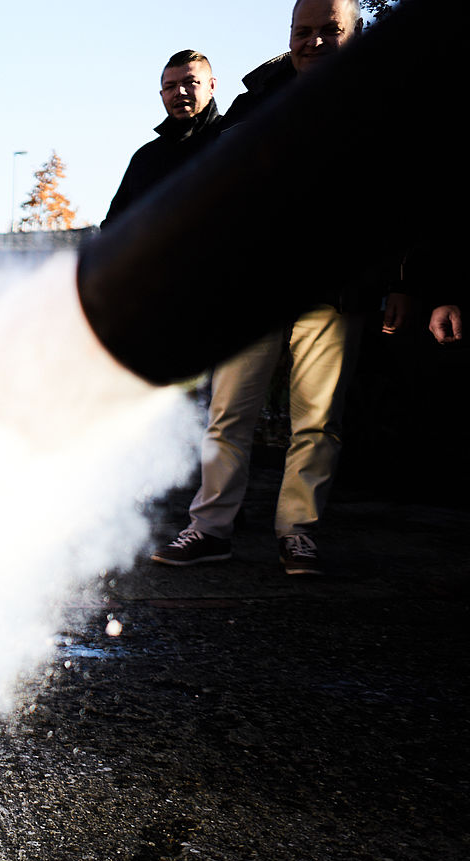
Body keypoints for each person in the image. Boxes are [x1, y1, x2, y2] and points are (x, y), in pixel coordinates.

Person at [151, 0, 392, 576]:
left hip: (335, 287)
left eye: (329, 31)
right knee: (228, 413)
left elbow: (399, 200)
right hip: (255, 284)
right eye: (302, 31)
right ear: (289, 35)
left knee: (317, 418)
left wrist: (401, 282)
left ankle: (297, 533)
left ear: (353, 35)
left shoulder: (383, 101)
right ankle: (209, 529)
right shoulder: (255, 100)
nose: (313, 42)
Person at [103, 50, 224, 227]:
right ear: (162, 95)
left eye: (190, 82)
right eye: (170, 86)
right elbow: (113, 230)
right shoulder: (144, 160)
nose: (179, 92)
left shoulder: (233, 137)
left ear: (211, 86)